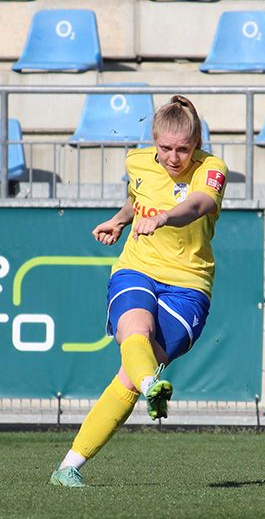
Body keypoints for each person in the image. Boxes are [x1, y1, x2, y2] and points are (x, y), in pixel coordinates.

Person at [50, 95, 228, 488]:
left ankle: (68, 464)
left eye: (183, 148)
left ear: (196, 142)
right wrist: (118, 220)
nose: (173, 157)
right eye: (165, 148)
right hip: (137, 267)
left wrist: (165, 218)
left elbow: (198, 205)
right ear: (154, 140)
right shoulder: (137, 162)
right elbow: (137, 200)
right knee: (135, 335)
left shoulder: (212, 170)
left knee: (128, 377)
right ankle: (151, 388)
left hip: (189, 285)